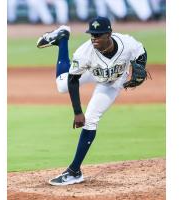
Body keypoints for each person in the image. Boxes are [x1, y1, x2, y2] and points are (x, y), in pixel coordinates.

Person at [36, 16, 148, 186]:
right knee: (61, 86)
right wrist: (77, 112)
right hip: (92, 70)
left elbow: (141, 52)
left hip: (112, 84)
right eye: (92, 35)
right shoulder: (84, 52)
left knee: (92, 118)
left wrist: (140, 65)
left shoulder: (128, 44)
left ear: (109, 34)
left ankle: (74, 171)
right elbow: (73, 80)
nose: (94, 38)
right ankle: (62, 39)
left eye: (98, 35)